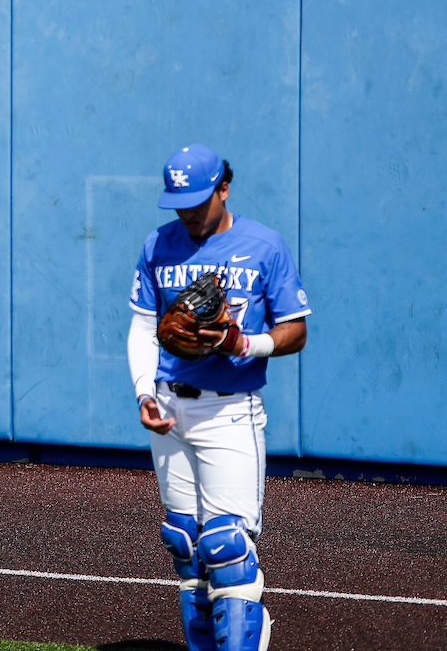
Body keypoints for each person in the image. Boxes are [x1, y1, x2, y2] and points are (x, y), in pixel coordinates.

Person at [127, 143, 310, 651]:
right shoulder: (157, 245)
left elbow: (295, 331)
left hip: (228, 409)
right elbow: (142, 328)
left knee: (227, 547)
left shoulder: (264, 246)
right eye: (177, 203)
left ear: (223, 188)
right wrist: (145, 393)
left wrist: (242, 343)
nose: (186, 212)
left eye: (196, 201)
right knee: (185, 543)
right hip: (168, 406)